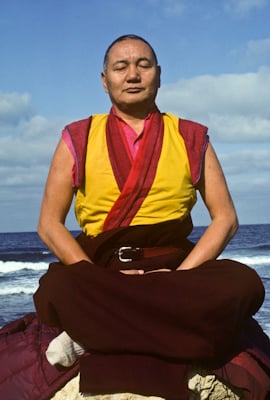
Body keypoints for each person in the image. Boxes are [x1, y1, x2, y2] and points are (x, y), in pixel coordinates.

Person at [34, 34, 270, 399]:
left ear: (159, 76)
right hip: (100, 271)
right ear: (104, 79)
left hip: (174, 271)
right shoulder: (77, 136)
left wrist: (177, 277)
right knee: (57, 287)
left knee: (245, 282)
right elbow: (49, 224)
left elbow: (226, 219)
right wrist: (91, 275)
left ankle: (88, 333)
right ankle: (167, 328)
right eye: (121, 67)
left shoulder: (191, 137)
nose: (133, 75)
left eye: (143, 65)